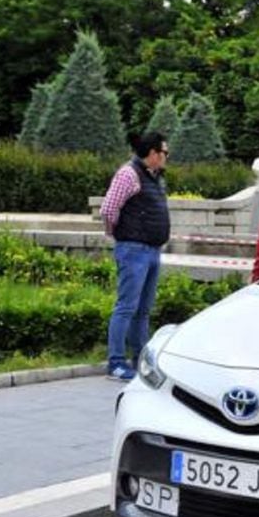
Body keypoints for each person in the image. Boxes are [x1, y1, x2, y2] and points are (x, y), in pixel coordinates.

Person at [99, 133, 171, 381]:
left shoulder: (155, 177)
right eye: (165, 152)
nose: (166, 157)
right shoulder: (129, 174)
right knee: (126, 307)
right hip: (133, 250)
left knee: (143, 309)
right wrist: (118, 235)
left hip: (151, 250)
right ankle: (116, 363)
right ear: (152, 153)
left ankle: (139, 358)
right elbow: (108, 209)